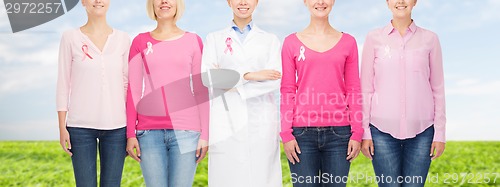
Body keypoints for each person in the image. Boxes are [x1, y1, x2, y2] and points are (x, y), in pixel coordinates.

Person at [360, 0, 446, 186]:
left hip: (422, 132)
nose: (400, 1)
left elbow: (438, 88)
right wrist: (364, 131)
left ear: (415, 1)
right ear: (387, 2)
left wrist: (440, 133)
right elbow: (366, 89)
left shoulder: (430, 39)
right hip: (380, 132)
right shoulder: (373, 38)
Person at [125, 0, 209, 186]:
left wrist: (205, 135)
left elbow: (201, 89)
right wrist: (131, 133)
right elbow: (134, 89)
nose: (164, 1)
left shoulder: (193, 40)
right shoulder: (139, 41)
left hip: (187, 132)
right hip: (149, 133)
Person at [280, 0, 363, 186]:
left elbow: (354, 89)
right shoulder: (291, 43)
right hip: (301, 135)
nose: (320, 2)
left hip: (340, 134)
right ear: (305, 2)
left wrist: (357, 132)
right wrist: (286, 133)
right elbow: (287, 89)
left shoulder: (348, 42)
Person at [201, 0, 283, 186]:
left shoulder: (270, 40)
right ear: (229, 2)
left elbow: (274, 80)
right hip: (225, 120)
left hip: (261, 120)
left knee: (262, 176)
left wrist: (232, 83)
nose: (243, 2)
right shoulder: (214, 39)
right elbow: (209, 78)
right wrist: (250, 75)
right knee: (227, 176)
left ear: (256, 2)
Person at [56, 0, 130, 186]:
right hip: (80, 127)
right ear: (82, 2)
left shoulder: (123, 39)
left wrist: (131, 130)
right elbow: (63, 83)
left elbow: (128, 84)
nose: (98, 1)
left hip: (117, 127)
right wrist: (61, 127)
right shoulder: (70, 38)